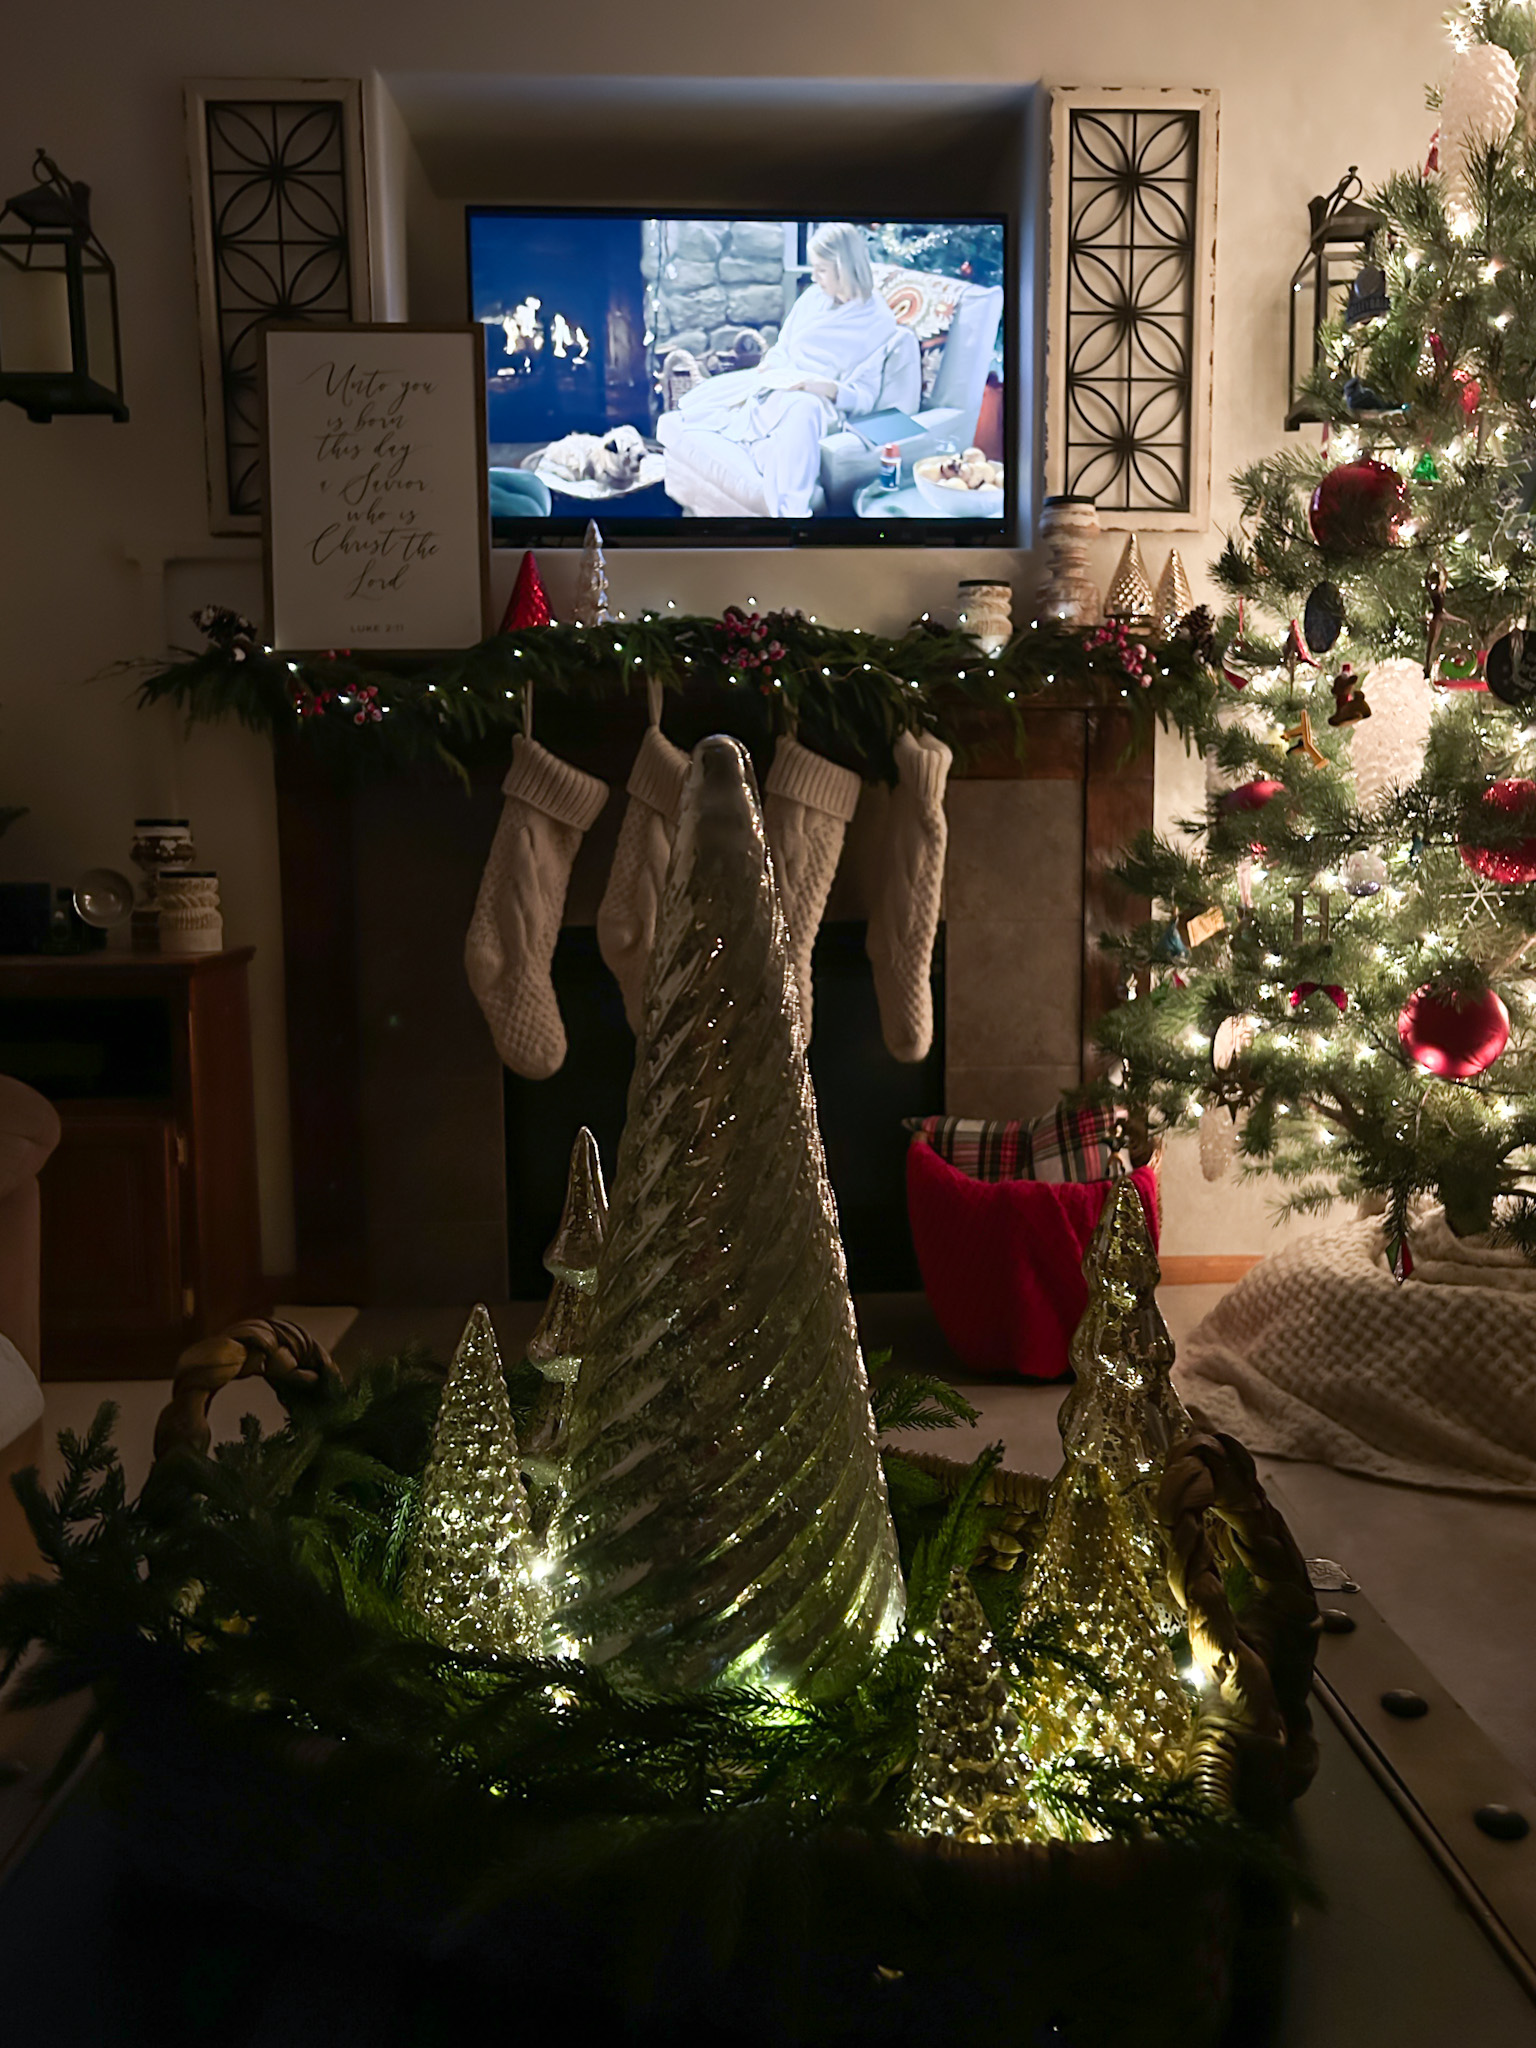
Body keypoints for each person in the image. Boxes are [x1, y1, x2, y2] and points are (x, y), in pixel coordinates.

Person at [669, 222, 898, 517]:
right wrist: (772, 367)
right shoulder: (814, 297)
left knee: (803, 408)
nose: (814, 277)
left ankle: (791, 515)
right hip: (782, 382)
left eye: (822, 270)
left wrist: (818, 386)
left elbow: (864, 397)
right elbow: (783, 347)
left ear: (845, 267)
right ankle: (766, 447)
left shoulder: (878, 320)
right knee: (710, 404)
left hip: (820, 400)